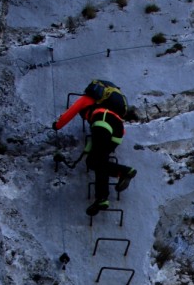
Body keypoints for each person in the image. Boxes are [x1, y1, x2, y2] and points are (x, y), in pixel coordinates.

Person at [52, 86, 136, 217]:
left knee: (97, 161)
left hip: (102, 123)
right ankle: (109, 189)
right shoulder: (112, 108)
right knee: (94, 162)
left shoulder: (87, 99)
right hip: (118, 131)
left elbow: (71, 112)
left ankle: (122, 174)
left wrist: (57, 125)